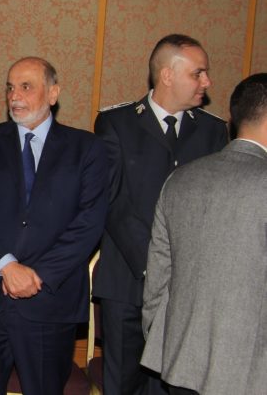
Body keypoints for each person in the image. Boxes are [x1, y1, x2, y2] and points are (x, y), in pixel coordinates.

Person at [0, 57, 108, 395]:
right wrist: (7, 266)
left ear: (53, 93)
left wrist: (38, 275)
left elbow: (90, 221)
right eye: (10, 87)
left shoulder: (87, 148)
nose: (14, 96)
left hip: (50, 299)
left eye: (26, 87)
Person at [92, 34, 228, 394]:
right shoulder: (116, 123)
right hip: (128, 282)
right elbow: (113, 201)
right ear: (168, 75)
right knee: (123, 384)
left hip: (188, 289)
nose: (207, 82)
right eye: (198, 73)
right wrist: (157, 267)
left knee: (175, 385)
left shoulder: (213, 131)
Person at [141, 73, 267, 395]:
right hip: (251, 373)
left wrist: (164, 342)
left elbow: (157, 279)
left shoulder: (180, 179)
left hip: (180, 362)